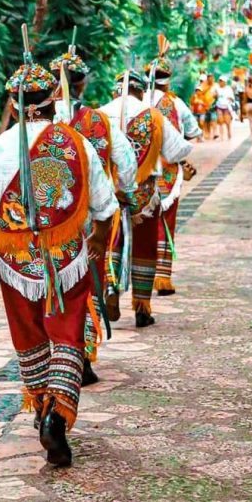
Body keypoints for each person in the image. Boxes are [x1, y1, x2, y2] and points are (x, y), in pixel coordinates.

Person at [0, 56, 117, 468]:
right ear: (55, 99)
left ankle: (43, 401)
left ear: (13, 103)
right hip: (66, 258)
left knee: (29, 335)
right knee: (66, 333)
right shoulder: (76, 144)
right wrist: (97, 239)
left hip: (15, 261)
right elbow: (104, 205)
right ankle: (57, 415)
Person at [49, 43, 138, 386]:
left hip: (51, 224)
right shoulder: (99, 122)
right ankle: (82, 357)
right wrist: (123, 190)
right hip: (92, 220)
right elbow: (127, 162)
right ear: (82, 83)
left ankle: (55, 357)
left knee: (53, 288)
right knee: (88, 284)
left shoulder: (39, 125)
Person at [100, 68, 192, 328]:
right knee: (144, 247)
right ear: (140, 91)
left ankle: (111, 287)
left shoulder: (99, 115)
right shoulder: (152, 116)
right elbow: (177, 150)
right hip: (144, 194)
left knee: (110, 241)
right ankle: (142, 306)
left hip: (111, 192)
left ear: (115, 90)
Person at [143, 35, 201, 296]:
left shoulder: (132, 102)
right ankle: (162, 278)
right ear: (168, 80)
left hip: (137, 174)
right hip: (167, 172)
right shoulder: (176, 103)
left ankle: (134, 276)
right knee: (166, 221)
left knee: (137, 223)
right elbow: (192, 132)